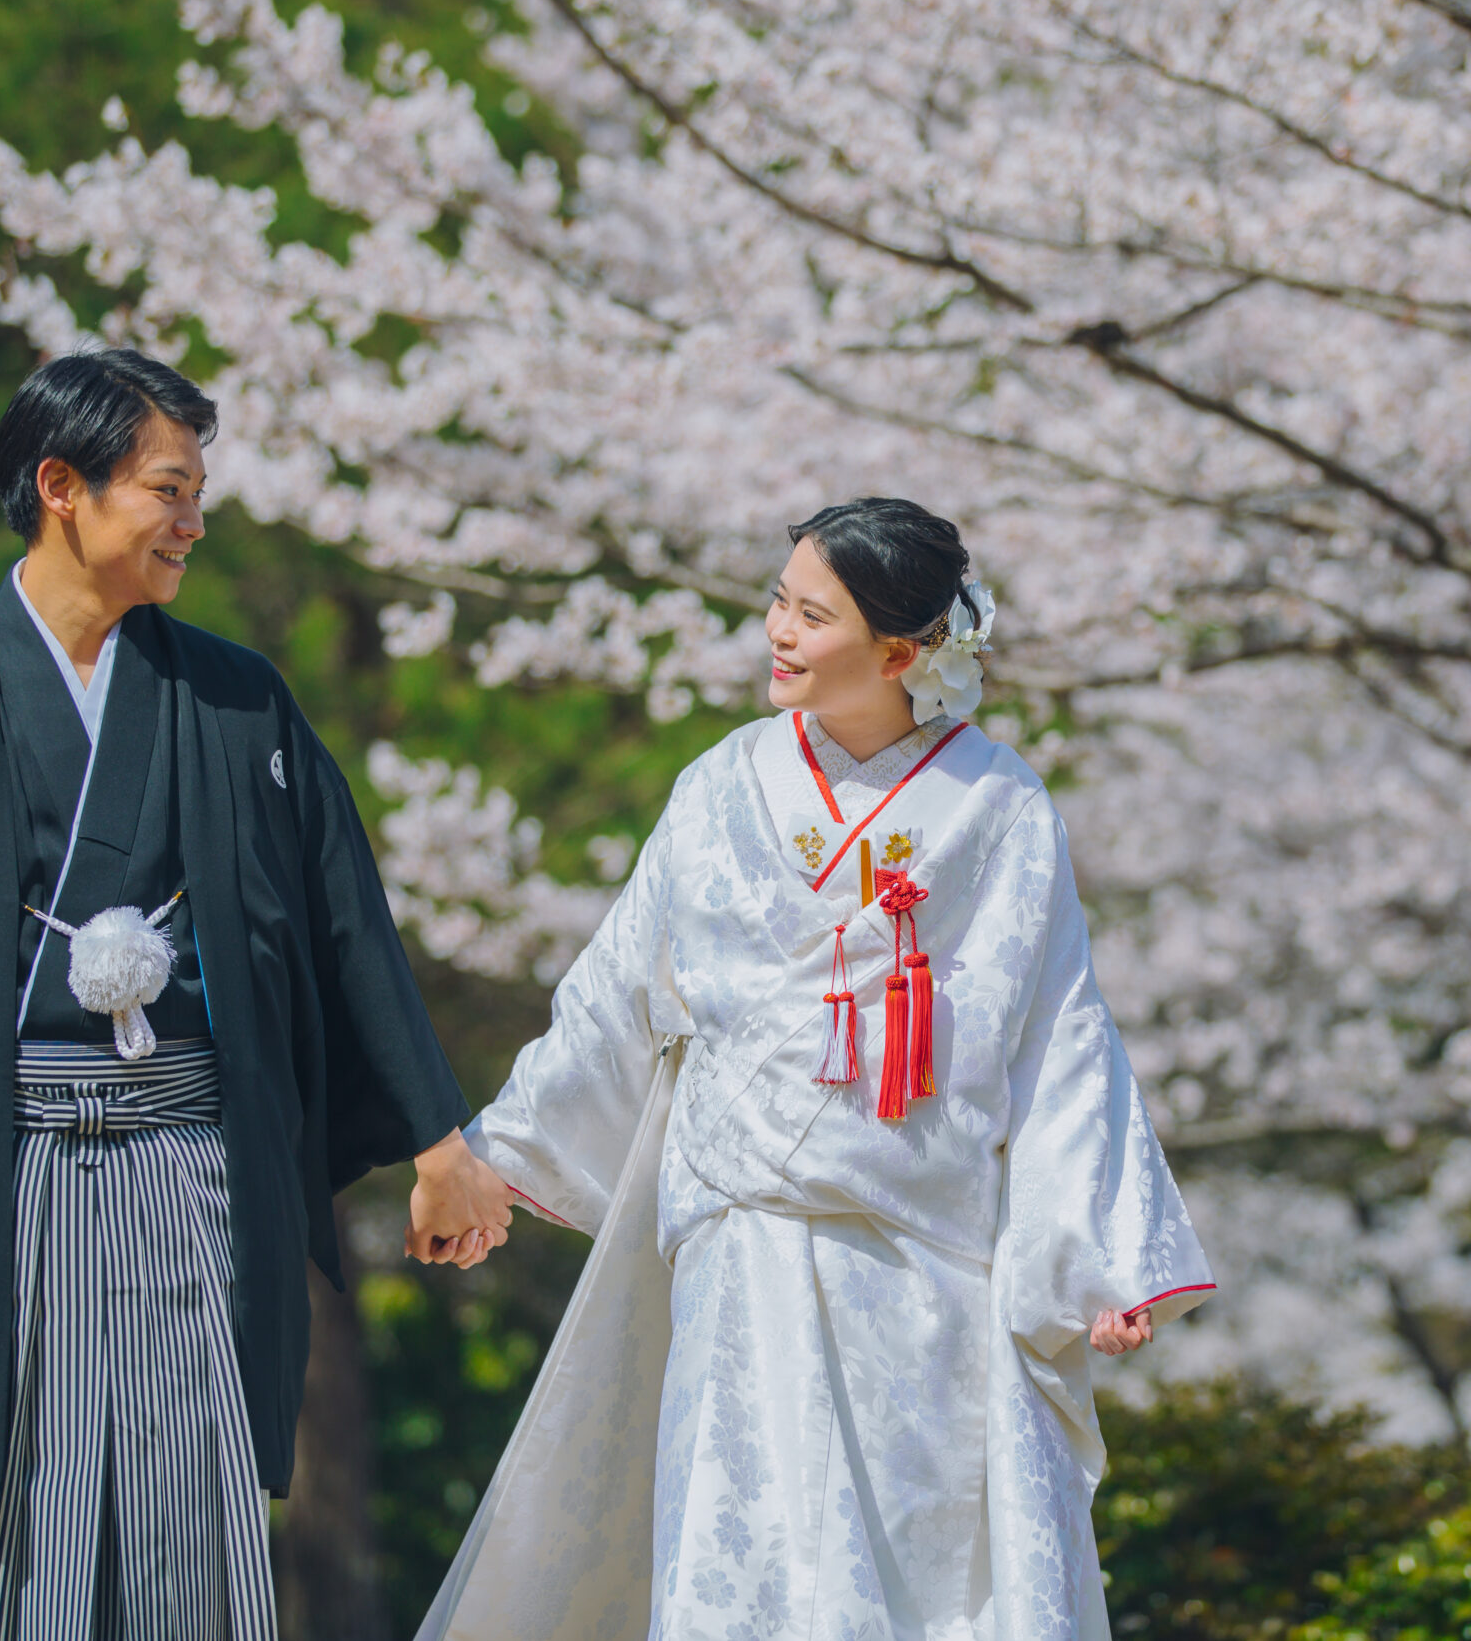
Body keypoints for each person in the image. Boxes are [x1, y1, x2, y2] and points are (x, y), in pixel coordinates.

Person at [0, 348, 512, 1640]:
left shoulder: (237, 704)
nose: (194, 520)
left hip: (189, 1167)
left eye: (198, 491)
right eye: (169, 489)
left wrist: (440, 1138)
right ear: (62, 485)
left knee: (195, 1550)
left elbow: (346, 919)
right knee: (20, 1554)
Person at [418, 498, 1214, 1641]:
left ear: (904, 651)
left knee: (913, 1572)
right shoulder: (718, 785)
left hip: (921, 1257)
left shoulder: (996, 807)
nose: (778, 633)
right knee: (743, 1557)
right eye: (780, 603)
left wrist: (1094, 1255)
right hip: (741, 1239)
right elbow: (615, 991)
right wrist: (495, 1160)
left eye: (812, 615)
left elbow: (1058, 1034)